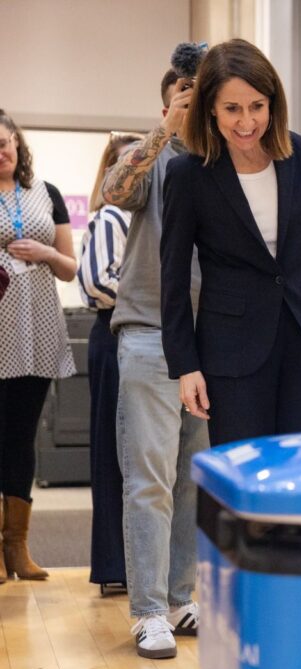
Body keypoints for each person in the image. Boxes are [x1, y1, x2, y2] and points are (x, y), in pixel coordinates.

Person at [161, 39, 301, 446]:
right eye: (232, 108)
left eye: (257, 107)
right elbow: (174, 278)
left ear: (272, 104)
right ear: (210, 107)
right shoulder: (188, 174)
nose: (246, 122)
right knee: (245, 476)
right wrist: (185, 366)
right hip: (233, 353)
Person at [102, 66, 208, 659]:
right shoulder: (156, 156)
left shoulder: (226, 160)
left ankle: (178, 596)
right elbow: (114, 192)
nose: (190, 109)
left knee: (193, 478)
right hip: (148, 331)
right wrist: (164, 128)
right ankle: (147, 610)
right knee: (149, 478)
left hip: (212, 340)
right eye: (180, 100)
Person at [0, 109, 78, 583]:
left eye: (6, 142)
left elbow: (70, 268)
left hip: (37, 333)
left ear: (17, 144)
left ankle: (17, 549)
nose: (1, 152)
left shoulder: (45, 195)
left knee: (21, 436)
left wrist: (46, 253)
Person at [77, 131, 143, 590]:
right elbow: (97, 284)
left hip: (147, 333)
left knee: (145, 457)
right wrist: (154, 301)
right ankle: (115, 568)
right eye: (125, 161)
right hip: (118, 334)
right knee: (114, 453)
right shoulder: (110, 218)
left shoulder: (155, 215)